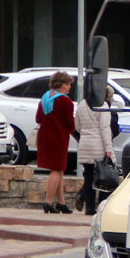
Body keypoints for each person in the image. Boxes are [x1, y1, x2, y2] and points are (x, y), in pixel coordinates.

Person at [34, 71, 76, 214]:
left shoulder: (45, 97)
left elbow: (38, 119)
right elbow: (70, 123)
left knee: (59, 169)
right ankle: (48, 201)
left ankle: (62, 203)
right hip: (59, 138)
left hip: (44, 137)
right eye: (67, 84)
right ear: (60, 84)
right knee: (57, 169)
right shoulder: (65, 101)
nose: (69, 87)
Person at [74, 85, 115, 216]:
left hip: (85, 144)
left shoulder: (81, 105)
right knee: (104, 179)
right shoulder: (102, 106)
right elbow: (104, 129)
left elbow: (77, 126)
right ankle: (101, 207)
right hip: (99, 146)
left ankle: (89, 208)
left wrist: (86, 134)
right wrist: (109, 149)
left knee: (89, 178)